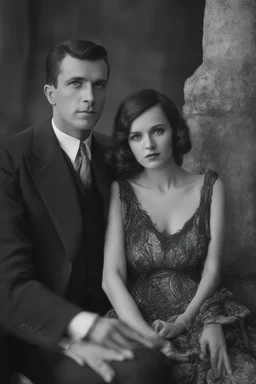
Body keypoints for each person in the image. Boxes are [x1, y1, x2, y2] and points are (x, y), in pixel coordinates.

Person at [0, 41, 171, 384]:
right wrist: (78, 332)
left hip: (115, 314)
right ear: (51, 93)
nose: (90, 96)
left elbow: (163, 242)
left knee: (155, 364)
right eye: (76, 83)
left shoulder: (121, 154)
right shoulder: (10, 159)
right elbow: (8, 282)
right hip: (41, 331)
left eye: (99, 84)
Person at [102, 88, 256, 383]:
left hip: (198, 313)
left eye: (157, 131)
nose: (148, 144)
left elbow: (212, 269)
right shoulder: (120, 192)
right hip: (140, 323)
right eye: (136, 136)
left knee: (238, 374)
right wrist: (151, 338)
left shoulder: (210, 186)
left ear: (175, 131)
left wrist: (196, 320)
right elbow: (111, 278)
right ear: (128, 143)